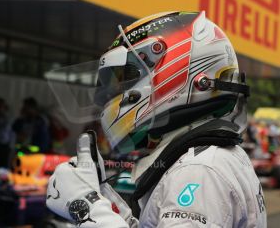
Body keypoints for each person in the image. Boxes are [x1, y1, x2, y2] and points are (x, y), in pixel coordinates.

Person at [46, 12, 267, 227]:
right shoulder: (211, 156)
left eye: (126, 76)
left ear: (175, 68)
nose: (111, 93)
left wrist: (87, 208)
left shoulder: (198, 169)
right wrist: (106, 200)